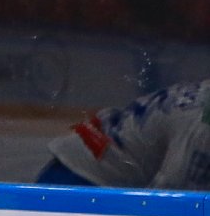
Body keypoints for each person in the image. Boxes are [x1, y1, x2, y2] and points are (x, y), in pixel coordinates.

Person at [34, 80, 210, 190]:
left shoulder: (201, 100)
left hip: (78, 166)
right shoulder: (201, 127)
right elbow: (169, 202)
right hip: (81, 180)